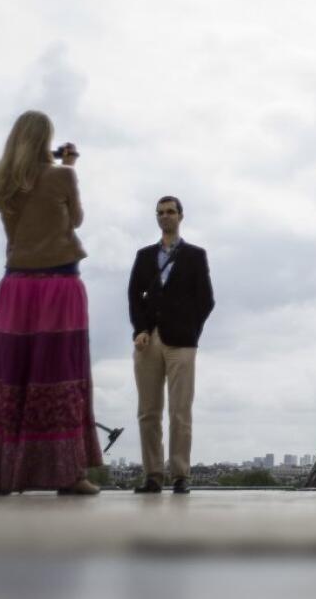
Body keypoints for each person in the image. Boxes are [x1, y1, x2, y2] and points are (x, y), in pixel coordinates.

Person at [0, 110, 102, 495]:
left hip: (15, 285)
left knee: (10, 376)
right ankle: (68, 475)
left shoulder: (0, 180)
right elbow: (74, 219)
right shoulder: (62, 175)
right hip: (59, 284)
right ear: (46, 140)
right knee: (60, 374)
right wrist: (68, 165)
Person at [127, 196, 215, 495]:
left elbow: (206, 300)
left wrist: (192, 331)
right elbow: (133, 295)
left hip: (182, 343)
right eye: (160, 212)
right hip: (148, 340)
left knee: (180, 411)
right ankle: (153, 475)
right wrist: (140, 329)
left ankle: (180, 474)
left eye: (170, 212)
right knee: (148, 411)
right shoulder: (144, 256)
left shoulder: (195, 255)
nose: (165, 216)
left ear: (180, 216)